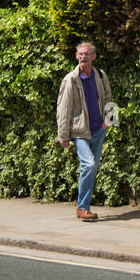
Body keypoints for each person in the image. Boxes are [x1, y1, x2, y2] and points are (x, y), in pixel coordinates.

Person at [57, 41, 113, 222]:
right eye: (80, 54)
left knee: (92, 168)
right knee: (88, 165)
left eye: (87, 54)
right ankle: (82, 207)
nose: (83, 57)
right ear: (76, 56)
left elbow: (108, 98)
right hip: (79, 131)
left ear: (93, 57)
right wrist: (63, 135)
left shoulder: (101, 76)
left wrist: (108, 121)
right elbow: (63, 109)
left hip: (98, 130)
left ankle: (83, 206)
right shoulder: (70, 80)